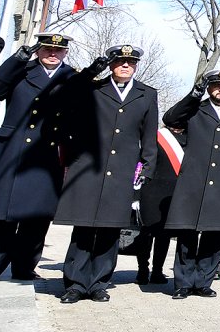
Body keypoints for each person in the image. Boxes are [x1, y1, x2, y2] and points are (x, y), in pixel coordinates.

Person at [52, 45, 159, 304]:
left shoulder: (147, 94)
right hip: (90, 166)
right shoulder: (94, 87)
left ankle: (99, 283)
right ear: (111, 65)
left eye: (130, 62)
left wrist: (147, 166)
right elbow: (63, 94)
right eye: (120, 61)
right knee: (84, 226)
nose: (125, 65)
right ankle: (75, 284)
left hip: (122, 169)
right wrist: (91, 71)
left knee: (110, 229)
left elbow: (149, 134)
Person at [163, 70, 220, 299]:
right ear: (209, 88)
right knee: (187, 234)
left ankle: (203, 281)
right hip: (192, 181)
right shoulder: (196, 108)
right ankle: (183, 283)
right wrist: (194, 94)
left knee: (214, 235)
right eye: (216, 85)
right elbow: (171, 119)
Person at [0, 32, 72, 282]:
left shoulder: (72, 77)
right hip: (12, 149)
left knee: (37, 215)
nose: (52, 53)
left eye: (58, 50)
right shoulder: (21, 70)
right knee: (2, 212)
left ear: (65, 52)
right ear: (38, 50)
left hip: (46, 153)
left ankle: (24, 266)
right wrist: (16, 60)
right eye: (47, 48)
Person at [137, 125, 184, 285]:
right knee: (146, 232)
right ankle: (142, 270)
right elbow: (141, 163)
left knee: (164, 235)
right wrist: (135, 193)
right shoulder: (158, 136)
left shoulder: (188, 139)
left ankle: (157, 271)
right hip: (151, 190)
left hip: (172, 193)